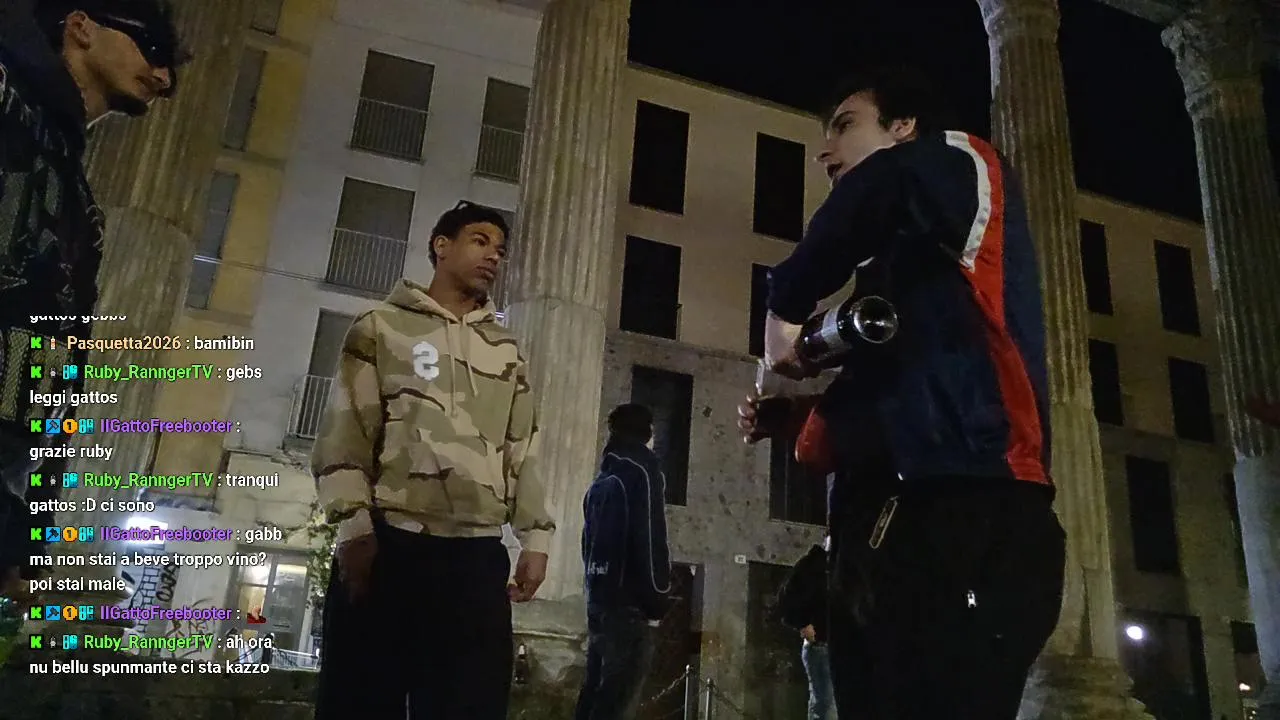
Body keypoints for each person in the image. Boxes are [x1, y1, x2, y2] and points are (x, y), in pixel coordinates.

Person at [740, 65, 1066, 719]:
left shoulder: (959, 161)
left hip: (969, 501)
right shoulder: (901, 265)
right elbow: (893, 393)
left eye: (844, 125)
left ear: (905, 127)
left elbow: (887, 183)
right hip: (886, 524)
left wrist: (785, 304)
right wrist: (794, 418)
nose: (825, 151)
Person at [311, 201, 556, 720]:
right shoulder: (381, 328)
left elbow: (523, 447)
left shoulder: (506, 350)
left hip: (475, 559)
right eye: (480, 241)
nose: (493, 256)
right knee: (360, 704)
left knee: (471, 707)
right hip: (391, 547)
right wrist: (354, 527)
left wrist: (536, 537)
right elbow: (346, 431)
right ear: (441, 246)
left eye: (500, 249)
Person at [0, 0, 185, 599]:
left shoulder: (75, 194)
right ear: (81, 27)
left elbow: (58, 369)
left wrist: (27, 539)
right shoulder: (8, 106)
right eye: (151, 48)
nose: (164, 78)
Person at [575, 403, 673, 720]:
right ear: (647, 432)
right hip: (630, 610)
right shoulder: (642, 472)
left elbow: (586, 544)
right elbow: (650, 537)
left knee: (594, 700)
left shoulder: (601, 480)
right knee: (617, 705)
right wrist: (657, 600)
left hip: (599, 605)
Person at [776, 535, 836, 720]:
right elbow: (785, 598)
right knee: (826, 707)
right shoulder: (813, 566)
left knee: (827, 706)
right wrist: (803, 624)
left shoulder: (830, 567)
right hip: (821, 645)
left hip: (831, 645)